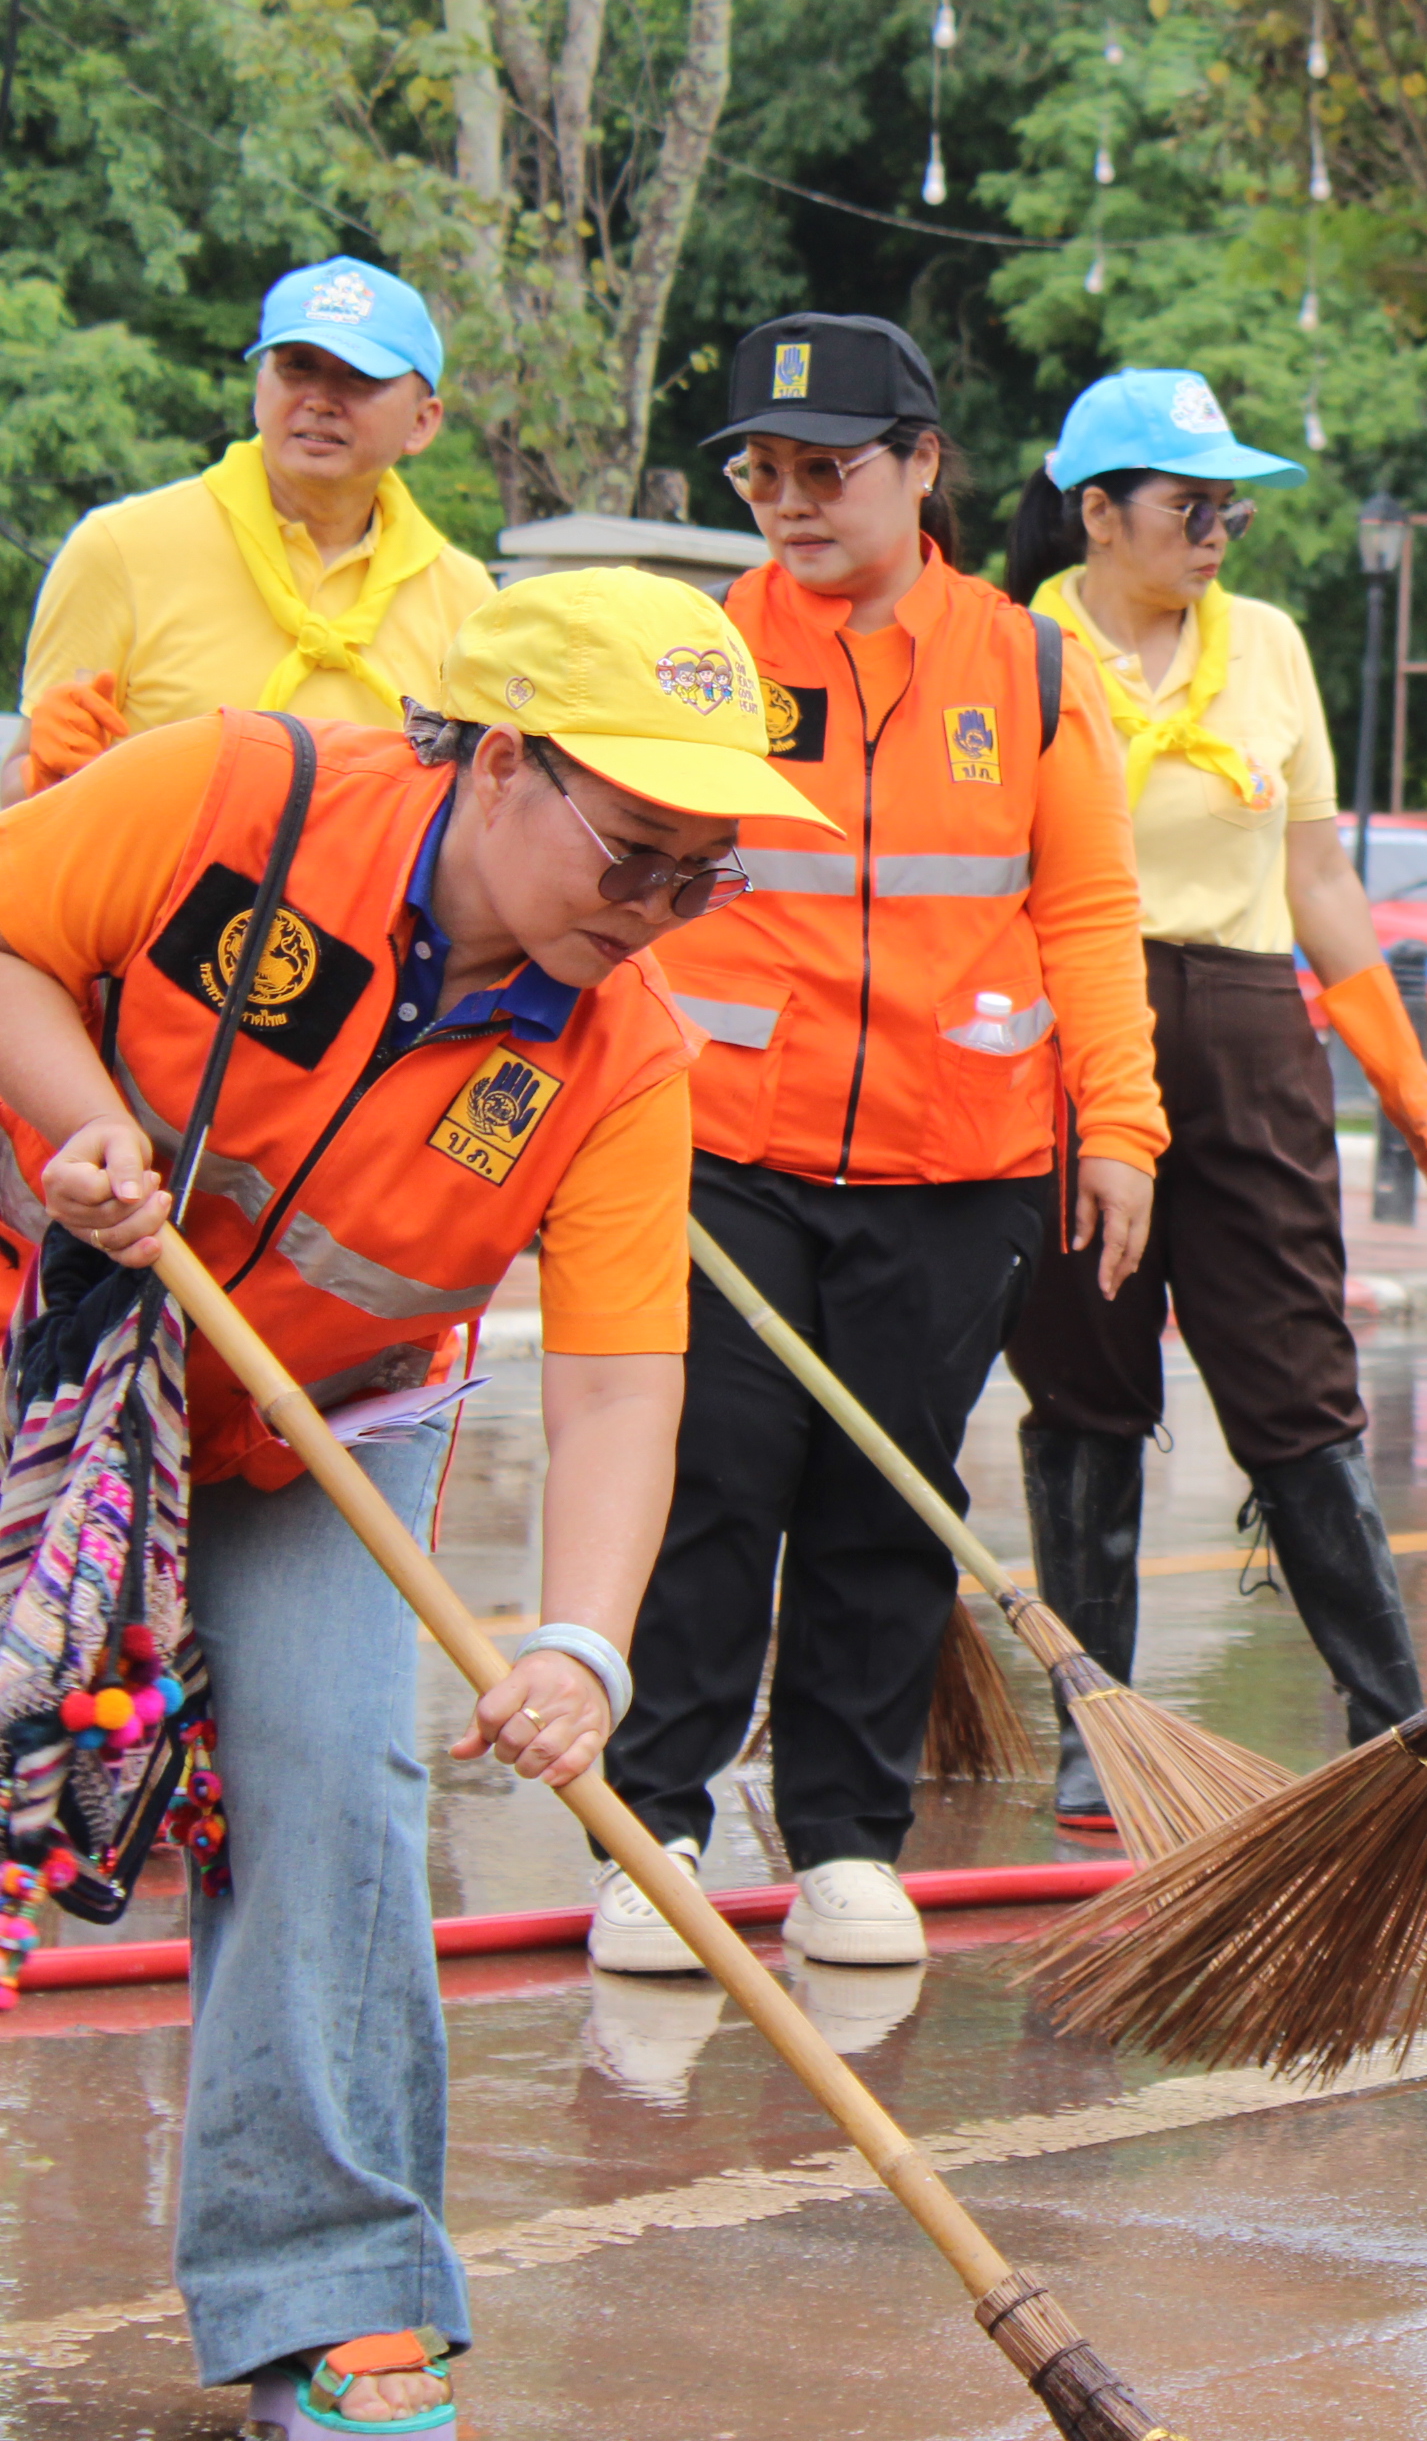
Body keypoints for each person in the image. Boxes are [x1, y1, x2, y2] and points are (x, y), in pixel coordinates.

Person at [0, 568, 807, 2435]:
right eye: (637, 854)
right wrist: (76, 1117)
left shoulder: (619, 1057)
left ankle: (340, 2294)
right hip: (45, 1330)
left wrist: (583, 1647)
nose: (660, 910)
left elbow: (616, 1378)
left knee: (336, 1773)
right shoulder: (229, 799)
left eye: (706, 875)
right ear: (504, 762)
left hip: (318, 1427)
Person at [589, 314, 1164, 1979]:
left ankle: (847, 1842)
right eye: (762, 472)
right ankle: (663, 1827)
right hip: (719, 1151)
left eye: (825, 470)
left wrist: (1117, 1125)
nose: (789, 501)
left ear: (922, 469)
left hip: (958, 1158)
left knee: (884, 1501)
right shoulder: (695, 659)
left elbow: (1088, 911)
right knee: (708, 1484)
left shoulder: (1030, 669)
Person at [996, 368, 1427, 1836]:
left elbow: (1320, 876)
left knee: (1295, 1368)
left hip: (1242, 1024)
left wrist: (1407, 1076)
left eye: (1232, 505)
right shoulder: (1016, 649)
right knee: (1082, 1371)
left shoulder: (1268, 647)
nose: (1219, 530)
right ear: (1098, 514)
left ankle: (1393, 1722)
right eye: (1187, 503)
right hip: (1068, 1025)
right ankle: (1101, 1724)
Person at [14, 257, 493, 799]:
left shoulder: (467, 598)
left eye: (359, 377)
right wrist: (39, 774)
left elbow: (482, 819)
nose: (319, 400)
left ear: (423, 421)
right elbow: (19, 803)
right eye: (297, 366)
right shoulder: (118, 548)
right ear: (258, 388)